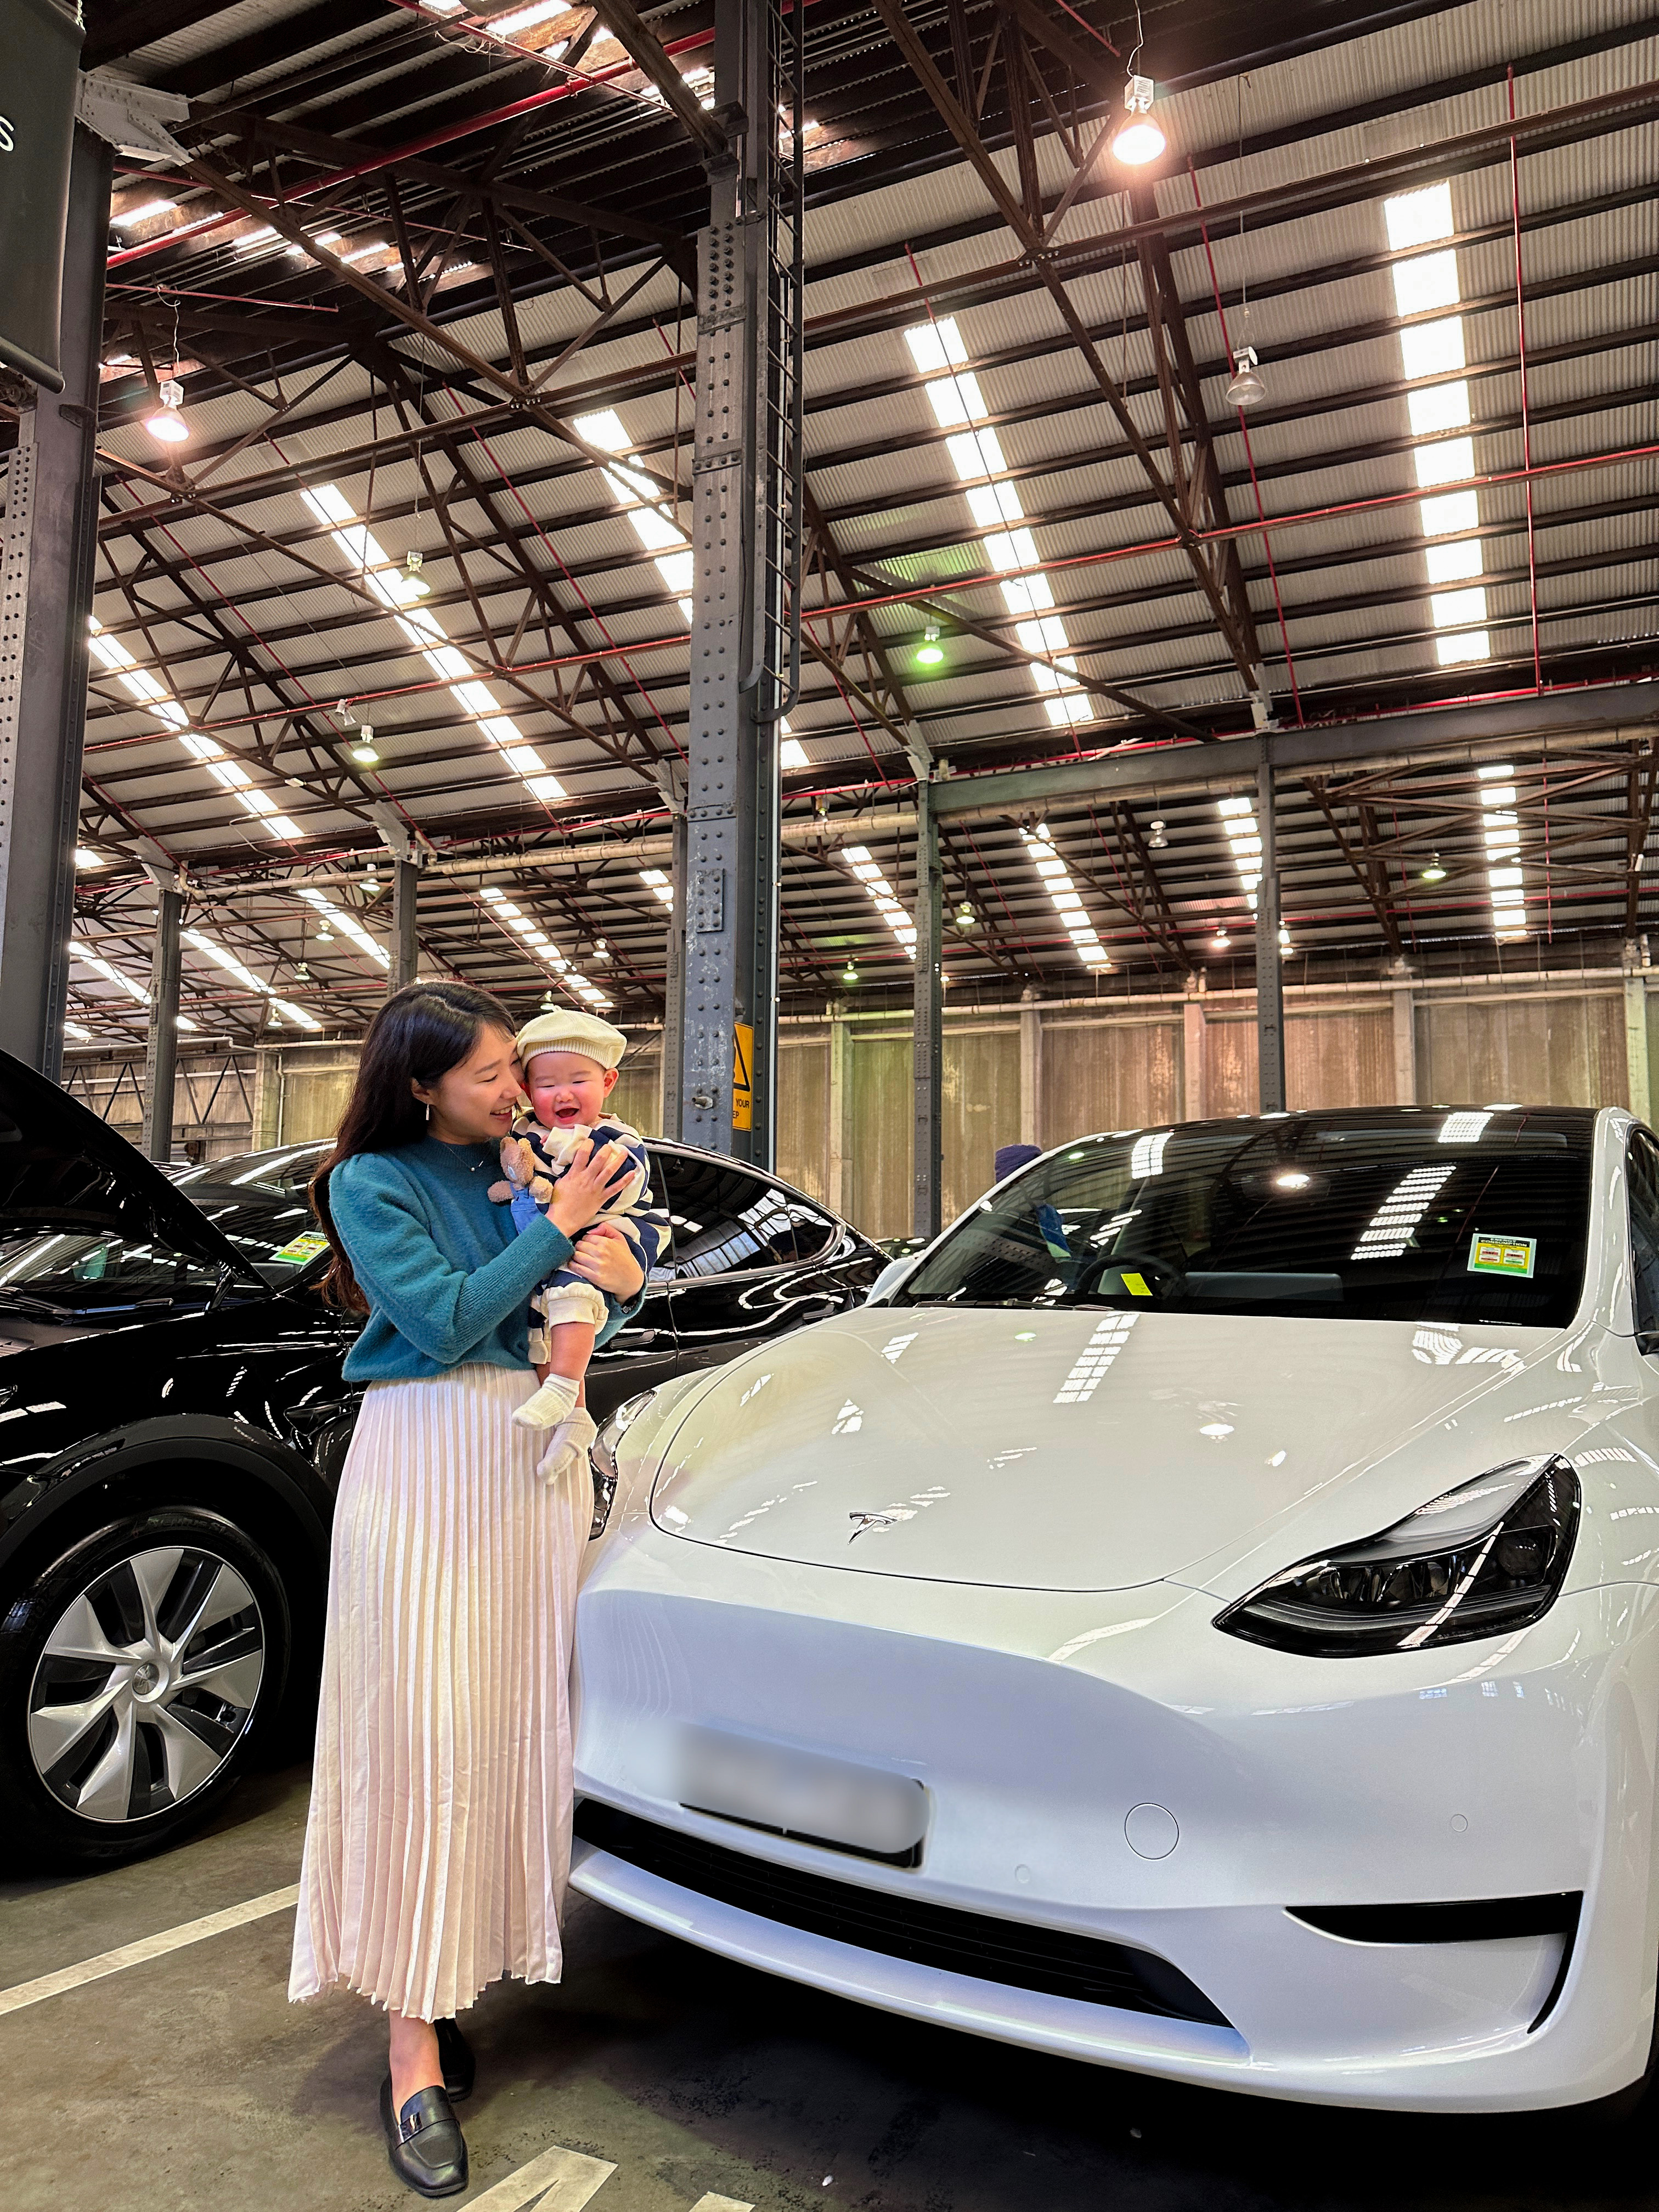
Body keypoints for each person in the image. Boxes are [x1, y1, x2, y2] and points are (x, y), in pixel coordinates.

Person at [288, 981, 646, 2200]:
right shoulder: (371, 1180)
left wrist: (610, 1264)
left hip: (531, 1459)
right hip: (426, 1455)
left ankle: (450, 1980)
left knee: (506, 1734)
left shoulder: (539, 1156)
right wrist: (562, 1227)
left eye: (514, 1066)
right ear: (421, 1083)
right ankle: (408, 2052)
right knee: (418, 1738)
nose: (515, 1086)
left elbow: (592, 1296)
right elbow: (442, 1322)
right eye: (491, 1071)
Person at [488, 1010, 669, 1469]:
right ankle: (574, 1418)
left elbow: (619, 1185)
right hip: (555, 1243)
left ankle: (565, 1385)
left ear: (608, 1082)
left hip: (607, 1233)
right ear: (527, 1090)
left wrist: (558, 1172)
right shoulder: (522, 1132)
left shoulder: (614, 1137)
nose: (563, 1094)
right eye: (547, 1084)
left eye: (578, 1080)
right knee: (542, 1323)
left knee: (572, 1294)